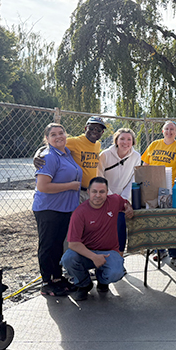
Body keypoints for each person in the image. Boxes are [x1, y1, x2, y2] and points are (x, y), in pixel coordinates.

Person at [61, 177, 134, 301]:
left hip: (109, 251)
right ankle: (84, 284)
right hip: (86, 253)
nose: (98, 195)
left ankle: (102, 281)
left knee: (116, 272)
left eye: (102, 192)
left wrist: (129, 208)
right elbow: (73, 244)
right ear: (88, 192)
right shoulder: (79, 212)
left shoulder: (115, 200)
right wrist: (94, 257)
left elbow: (125, 203)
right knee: (68, 259)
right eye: (94, 191)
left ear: (107, 192)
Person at [32, 123, 82, 296]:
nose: (58, 136)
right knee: (47, 245)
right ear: (47, 139)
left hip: (65, 208)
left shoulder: (67, 153)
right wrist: (71, 186)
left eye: (61, 133)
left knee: (57, 245)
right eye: (53, 134)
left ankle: (57, 278)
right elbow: (43, 186)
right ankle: (46, 282)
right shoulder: (49, 156)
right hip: (48, 208)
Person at [141, 121, 176, 267]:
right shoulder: (154, 145)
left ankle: (175, 255)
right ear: (162, 131)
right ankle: (159, 250)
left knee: (173, 221)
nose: (169, 131)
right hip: (154, 188)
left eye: (172, 129)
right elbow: (145, 165)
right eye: (166, 129)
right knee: (157, 221)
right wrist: (145, 183)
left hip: (170, 189)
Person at [34, 116, 106, 203]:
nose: (94, 131)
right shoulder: (75, 142)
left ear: (102, 132)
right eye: (91, 128)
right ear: (86, 128)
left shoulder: (97, 145)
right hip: (77, 190)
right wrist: (37, 155)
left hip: (89, 190)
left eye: (98, 130)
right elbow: (50, 145)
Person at [97, 128, 142, 255]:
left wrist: (124, 199)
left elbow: (133, 178)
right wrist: (111, 197)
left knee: (120, 224)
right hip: (104, 197)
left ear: (133, 142)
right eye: (122, 138)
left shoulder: (136, 156)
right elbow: (100, 177)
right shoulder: (105, 155)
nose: (125, 142)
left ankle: (119, 259)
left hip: (122, 198)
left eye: (129, 139)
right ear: (116, 140)